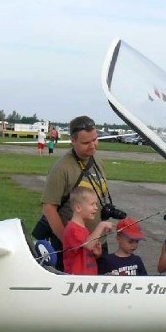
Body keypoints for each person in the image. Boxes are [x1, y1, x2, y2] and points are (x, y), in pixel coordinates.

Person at [40, 115, 115, 271]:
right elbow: (49, 208)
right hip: (74, 250)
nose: (93, 146)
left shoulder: (97, 161)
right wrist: (68, 244)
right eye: (86, 143)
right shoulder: (61, 168)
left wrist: (96, 240)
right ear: (72, 141)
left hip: (97, 244)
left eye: (95, 139)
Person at [59, 186, 114, 332]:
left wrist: (96, 253)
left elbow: (87, 250)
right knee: (79, 324)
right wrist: (100, 227)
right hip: (78, 284)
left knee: (77, 322)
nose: (96, 208)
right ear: (77, 207)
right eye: (92, 204)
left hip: (85, 281)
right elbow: (87, 245)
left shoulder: (82, 229)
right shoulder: (73, 229)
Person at [98, 217, 148, 332]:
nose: (134, 245)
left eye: (136, 242)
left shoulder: (137, 260)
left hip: (136, 306)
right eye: (130, 240)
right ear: (118, 238)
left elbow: (145, 281)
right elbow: (100, 281)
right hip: (117, 306)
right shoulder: (108, 260)